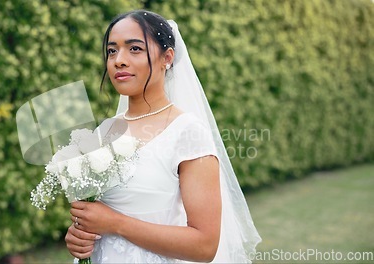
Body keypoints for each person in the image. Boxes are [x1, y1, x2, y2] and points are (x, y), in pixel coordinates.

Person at [65, 10, 261, 263]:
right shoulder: (105, 131)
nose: (118, 61)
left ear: (167, 57)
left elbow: (204, 245)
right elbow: (97, 216)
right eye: (112, 51)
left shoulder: (187, 132)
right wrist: (79, 236)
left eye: (134, 49)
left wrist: (115, 223)